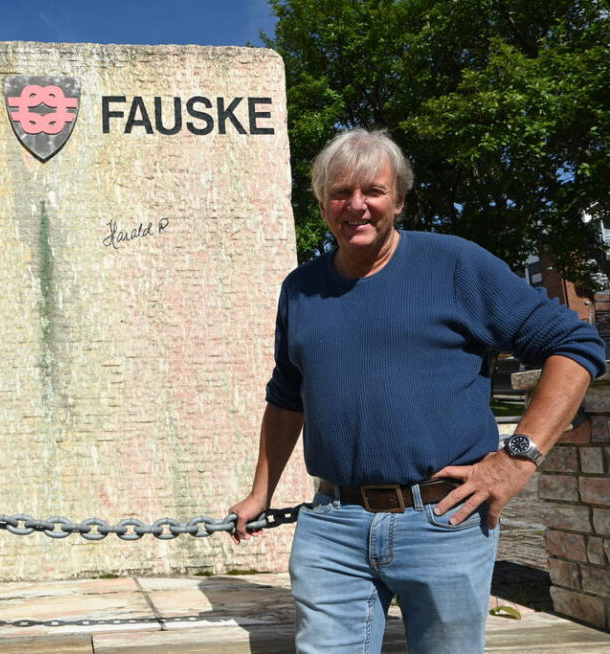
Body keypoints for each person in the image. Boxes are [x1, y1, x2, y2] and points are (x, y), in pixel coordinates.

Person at [229, 128, 606, 653]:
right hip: (333, 527)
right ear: (321, 203)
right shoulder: (301, 288)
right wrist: (260, 493)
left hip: (443, 521)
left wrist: (517, 458)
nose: (355, 205)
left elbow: (575, 346)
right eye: (340, 192)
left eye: (372, 191)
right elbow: (288, 395)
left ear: (399, 200)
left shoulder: (454, 265)